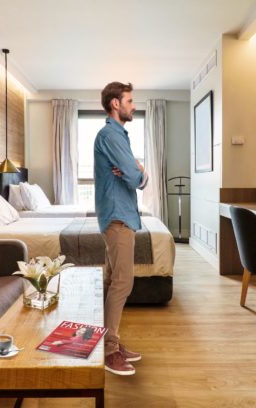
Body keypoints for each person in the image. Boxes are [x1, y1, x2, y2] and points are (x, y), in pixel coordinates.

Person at [93, 82, 148, 376]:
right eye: (129, 100)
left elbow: (131, 173)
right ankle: (109, 349)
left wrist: (136, 170)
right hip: (118, 217)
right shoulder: (110, 135)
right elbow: (133, 175)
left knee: (116, 279)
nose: (133, 105)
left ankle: (109, 341)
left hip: (118, 214)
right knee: (123, 282)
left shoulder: (116, 136)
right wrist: (141, 171)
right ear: (116, 104)